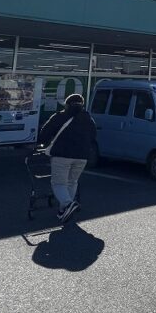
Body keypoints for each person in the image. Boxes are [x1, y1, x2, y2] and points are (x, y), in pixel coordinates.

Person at [38, 93, 96, 223]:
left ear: (67, 104)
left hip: (62, 155)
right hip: (82, 156)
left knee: (58, 183)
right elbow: (93, 135)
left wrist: (42, 143)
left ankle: (68, 203)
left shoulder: (60, 116)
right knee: (72, 181)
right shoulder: (88, 118)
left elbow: (45, 133)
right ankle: (63, 211)